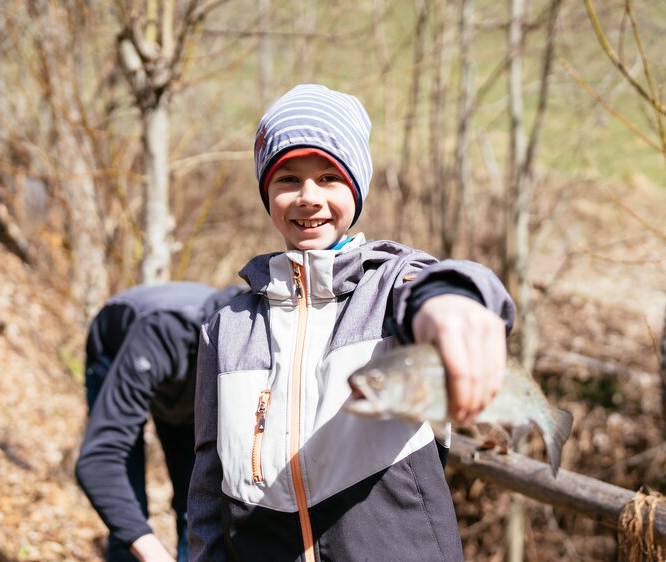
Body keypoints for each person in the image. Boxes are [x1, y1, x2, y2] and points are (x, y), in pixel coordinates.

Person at [188, 84, 516, 561]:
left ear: (356, 187)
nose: (308, 197)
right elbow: (207, 480)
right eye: (287, 179)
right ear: (266, 192)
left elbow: (440, 284)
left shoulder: (389, 285)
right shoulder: (227, 327)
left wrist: (456, 301)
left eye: (328, 177)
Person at [76, 282, 245, 562]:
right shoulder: (164, 332)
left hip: (186, 392)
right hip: (118, 352)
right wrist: (152, 553)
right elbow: (99, 459)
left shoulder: (254, 352)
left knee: (195, 506)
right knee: (129, 505)